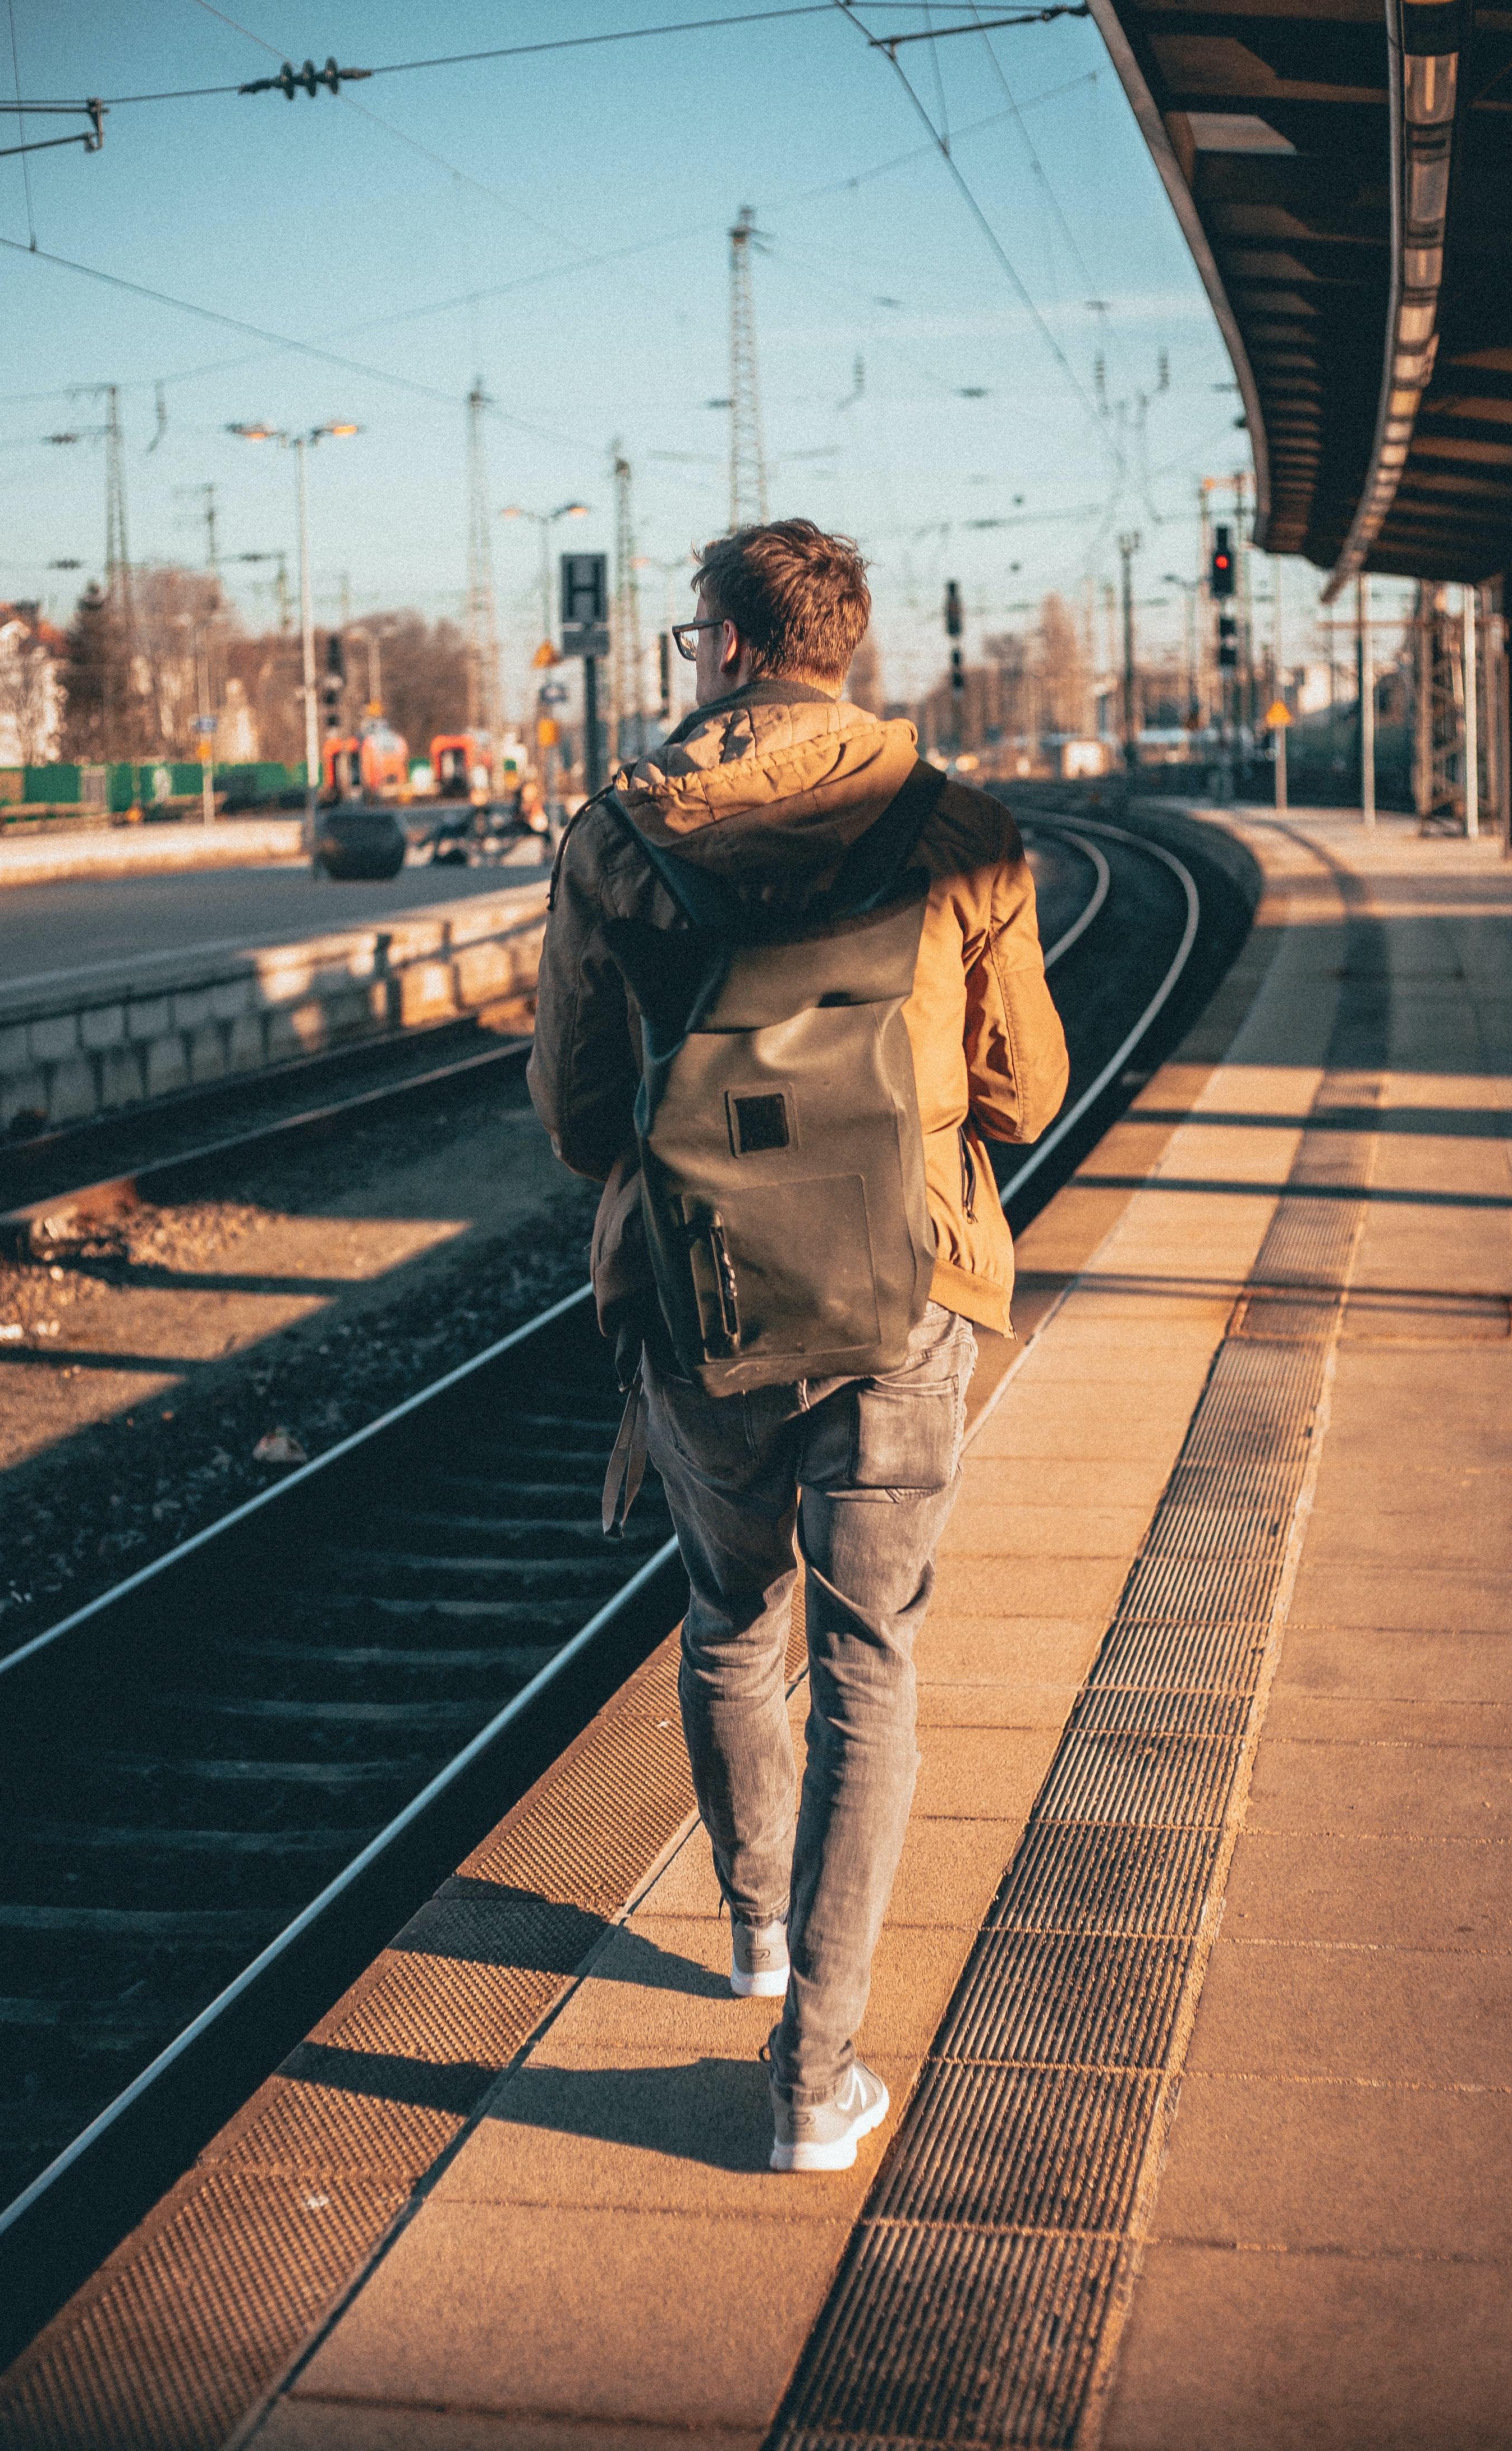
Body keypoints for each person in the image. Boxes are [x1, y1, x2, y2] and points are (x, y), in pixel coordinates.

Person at [528, 519, 1067, 2170]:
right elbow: (1025, 1094)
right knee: (871, 1669)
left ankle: (754, 1926)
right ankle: (811, 2080)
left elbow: (572, 1115)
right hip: (904, 1296)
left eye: (698, 638)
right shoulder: (959, 830)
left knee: (723, 1619)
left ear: (735, 645)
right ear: (844, 644)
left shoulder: (614, 838)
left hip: (703, 1303)